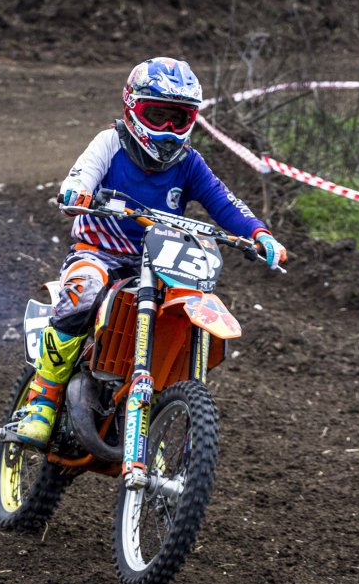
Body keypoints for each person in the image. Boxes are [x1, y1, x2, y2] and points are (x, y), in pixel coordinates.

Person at [16, 56, 287, 448]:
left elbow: (224, 202)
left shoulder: (190, 163)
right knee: (83, 292)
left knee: (184, 311)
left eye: (179, 119)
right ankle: (42, 400)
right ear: (133, 108)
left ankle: (162, 406)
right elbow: (81, 175)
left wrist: (260, 234)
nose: (168, 130)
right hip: (99, 253)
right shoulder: (109, 143)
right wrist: (78, 193)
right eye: (157, 116)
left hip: (160, 260)